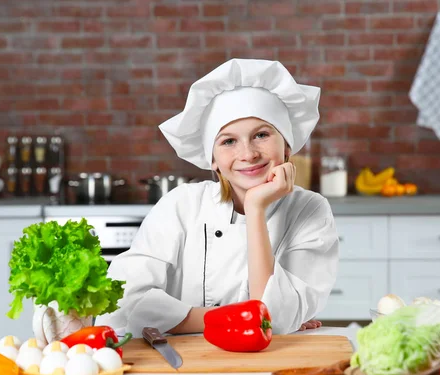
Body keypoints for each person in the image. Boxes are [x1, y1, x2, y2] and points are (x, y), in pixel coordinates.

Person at [96, 59, 339, 335]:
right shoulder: (182, 204)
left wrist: (255, 209)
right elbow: (125, 302)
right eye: (228, 141)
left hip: (269, 363)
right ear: (212, 159)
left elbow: (273, 321)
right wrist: (243, 316)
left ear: (286, 145)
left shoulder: (309, 210)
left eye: (261, 135)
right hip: (185, 364)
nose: (248, 154)